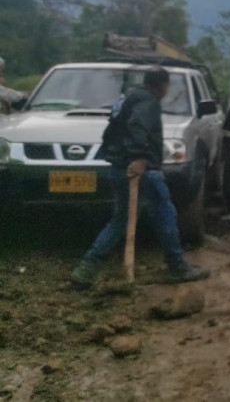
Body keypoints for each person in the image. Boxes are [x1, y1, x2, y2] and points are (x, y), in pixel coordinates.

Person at [71, 66, 210, 287]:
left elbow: (111, 132)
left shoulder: (127, 99)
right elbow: (137, 125)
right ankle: (177, 266)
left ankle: (86, 269)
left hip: (119, 168)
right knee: (164, 213)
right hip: (143, 170)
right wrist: (139, 157)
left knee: (120, 219)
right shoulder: (147, 102)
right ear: (162, 85)